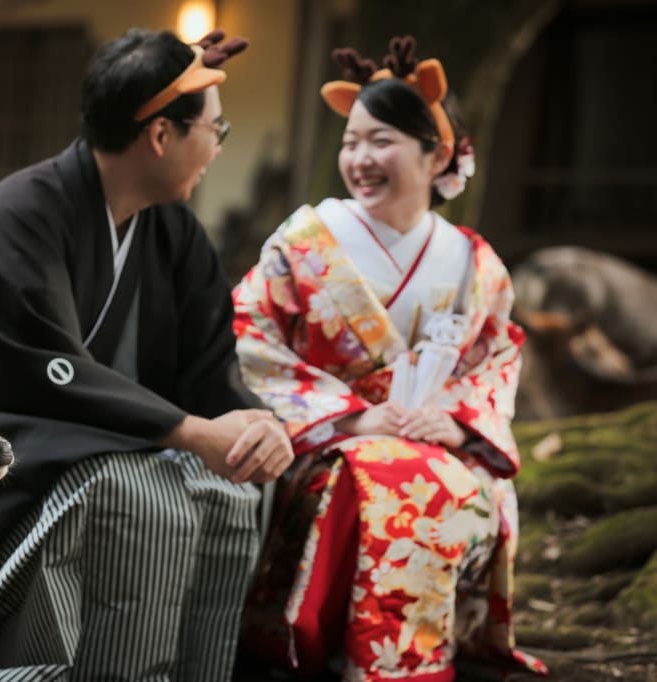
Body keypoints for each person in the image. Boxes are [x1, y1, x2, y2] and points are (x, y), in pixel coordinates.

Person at [0, 27, 293, 681]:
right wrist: (187, 430)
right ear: (160, 135)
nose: (217, 144)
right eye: (216, 129)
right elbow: (39, 369)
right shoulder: (24, 212)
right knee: (138, 490)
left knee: (228, 486)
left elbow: (209, 367)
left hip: (55, 428)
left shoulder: (172, 229)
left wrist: (254, 426)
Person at [232, 37, 548, 680]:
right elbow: (255, 340)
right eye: (351, 142)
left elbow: (495, 360)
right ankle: (380, 664)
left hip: (441, 444)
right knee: (376, 478)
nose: (359, 159)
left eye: (381, 142)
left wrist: (458, 424)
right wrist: (352, 420)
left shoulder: (473, 260)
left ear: (438, 155)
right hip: (323, 446)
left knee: (425, 478)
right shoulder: (304, 243)